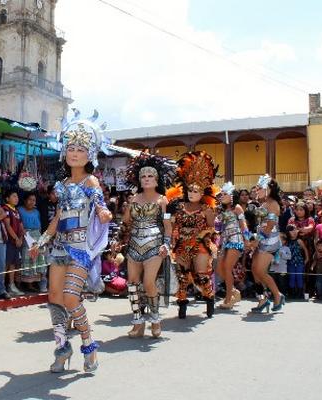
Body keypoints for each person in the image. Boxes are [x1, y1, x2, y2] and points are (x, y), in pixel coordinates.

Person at [29, 112, 112, 373]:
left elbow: (99, 205)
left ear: (90, 155)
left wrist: (104, 214)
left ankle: (88, 343)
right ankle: (62, 348)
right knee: (54, 298)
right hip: (59, 248)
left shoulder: (91, 181)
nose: (74, 153)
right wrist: (41, 241)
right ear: (64, 153)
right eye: (71, 149)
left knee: (70, 297)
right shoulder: (62, 185)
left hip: (80, 250)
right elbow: (57, 219)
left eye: (80, 149)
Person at [113, 150, 176, 338]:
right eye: (144, 176)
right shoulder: (133, 200)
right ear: (139, 180)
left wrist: (166, 244)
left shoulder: (163, 200)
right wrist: (117, 239)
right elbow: (126, 223)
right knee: (132, 284)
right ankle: (138, 321)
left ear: (157, 179)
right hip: (133, 245)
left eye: (150, 175)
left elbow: (167, 225)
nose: (147, 178)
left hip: (154, 244)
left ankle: (155, 319)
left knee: (148, 281)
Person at [167, 151, 217, 319]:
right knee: (182, 277)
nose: (192, 193)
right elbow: (171, 223)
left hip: (200, 245)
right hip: (182, 244)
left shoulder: (206, 210)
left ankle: (209, 299)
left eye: (196, 191)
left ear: (202, 193)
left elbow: (212, 228)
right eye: (190, 190)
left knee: (202, 276)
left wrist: (203, 233)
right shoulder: (179, 207)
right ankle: (182, 307)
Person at [249, 174, 285, 313]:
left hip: (270, 241)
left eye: (259, 188)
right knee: (254, 269)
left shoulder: (273, 204)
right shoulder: (264, 203)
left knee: (260, 270)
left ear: (268, 189)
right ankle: (262, 299)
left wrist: (257, 241)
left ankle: (277, 295)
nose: (256, 190)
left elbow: (270, 226)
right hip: (261, 239)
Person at [215, 182, 249, 309]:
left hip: (236, 239)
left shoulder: (237, 207)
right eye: (221, 194)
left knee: (227, 268)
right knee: (219, 268)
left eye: (225, 194)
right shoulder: (221, 210)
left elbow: (243, 224)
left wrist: (247, 240)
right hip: (224, 240)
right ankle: (234, 290)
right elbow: (218, 227)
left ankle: (229, 298)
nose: (222, 196)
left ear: (231, 196)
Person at [19, 192, 47, 292]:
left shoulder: (36, 212)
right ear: (25, 200)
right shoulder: (20, 210)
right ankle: (27, 283)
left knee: (38, 259)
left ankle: (35, 282)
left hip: (37, 236)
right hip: (26, 236)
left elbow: (39, 226)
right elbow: (19, 223)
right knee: (28, 258)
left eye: (34, 200)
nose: (32, 202)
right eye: (30, 199)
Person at [2, 188, 25, 296]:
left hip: (17, 241)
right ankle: (1, 286)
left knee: (13, 264)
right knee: (5, 263)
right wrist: (16, 238)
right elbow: (7, 225)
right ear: (7, 198)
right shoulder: (5, 209)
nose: (16, 198)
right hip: (9, 241)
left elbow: (21, 226)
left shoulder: (16, 210)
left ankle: (11, 285)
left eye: (17, 196)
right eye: (14, 196)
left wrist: (20, 238)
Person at [285, 225, 309, 299]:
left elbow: (305, 249)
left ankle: (300, 293)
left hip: (299, 262)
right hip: (290, 262)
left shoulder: (299, 241)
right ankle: (292, 292)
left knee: (299, 277)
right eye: (291, 231)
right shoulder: (286, 242)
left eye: (295, 230)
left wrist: (307, 258)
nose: (294, 232)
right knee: (292, 277)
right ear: (288, 232)